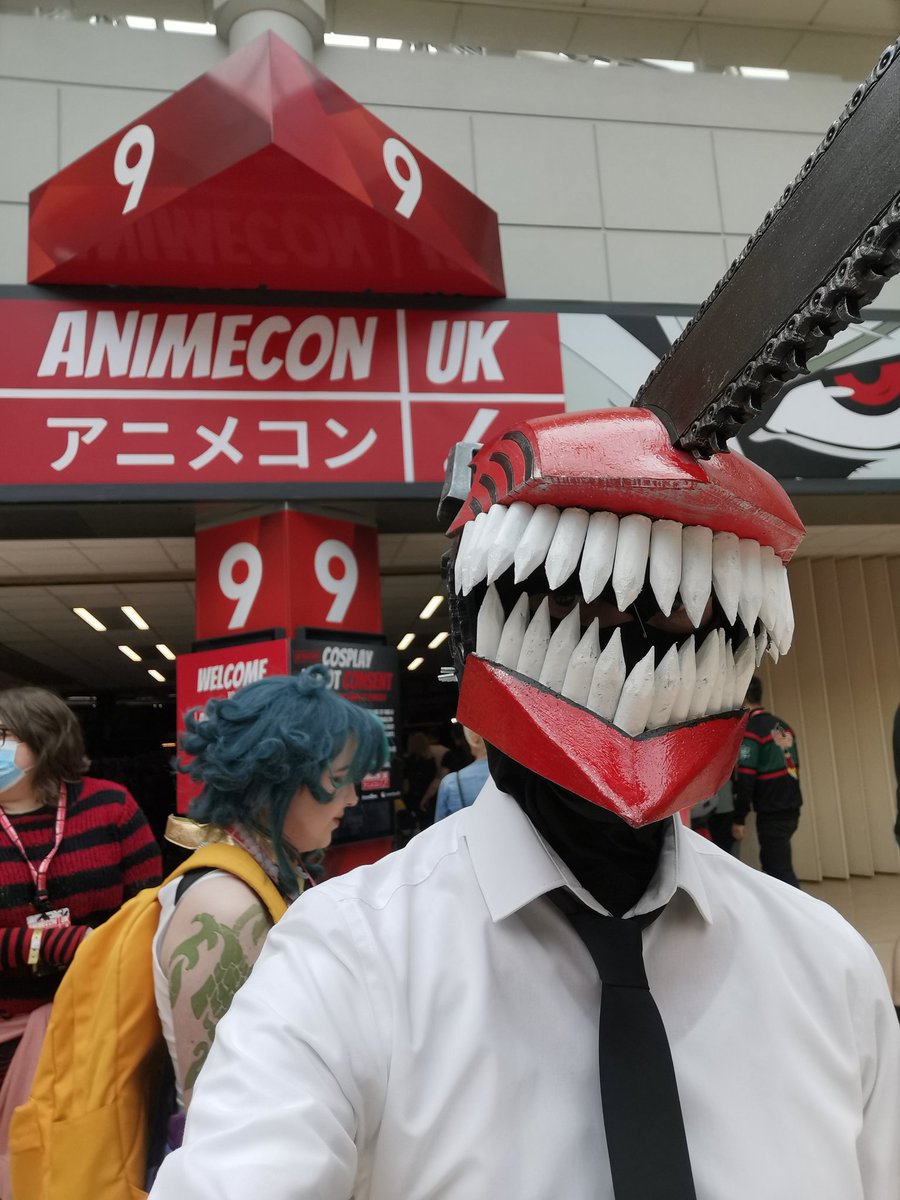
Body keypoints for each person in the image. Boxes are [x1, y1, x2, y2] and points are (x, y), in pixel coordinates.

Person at [149, 408, 900, 1200]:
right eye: (588, 604)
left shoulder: (827, 966)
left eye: (682, 615)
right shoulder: (344, 962)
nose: (638, 642)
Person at [156, 667, 388, 1128]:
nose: (352, 799)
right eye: (340, 778)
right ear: (277, 779)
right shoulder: (225, 907)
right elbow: (218, 1114)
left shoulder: (271, 874)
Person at [0, 685, 162, 1192]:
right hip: (8, 1031)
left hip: (101, 1027)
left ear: (44, 739)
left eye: (2, 735)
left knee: (91, 1161)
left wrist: (103, 945)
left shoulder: (110, 806)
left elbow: (148, 911)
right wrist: (56, 945)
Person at [732, 676, 803, 887]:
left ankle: (797, 907)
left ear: (743, 698)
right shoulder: (783, 727)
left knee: (778, 873)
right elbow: (794, 766)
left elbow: (746, 778)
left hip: (772, 811)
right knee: (780, 864)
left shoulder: (751, 731)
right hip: (792, 807)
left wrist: (739, 818)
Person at [434, 727, 488, 821]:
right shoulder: (513, 775)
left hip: (469, 829)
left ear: (474, 738)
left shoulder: (452, 782)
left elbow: (440, 824)